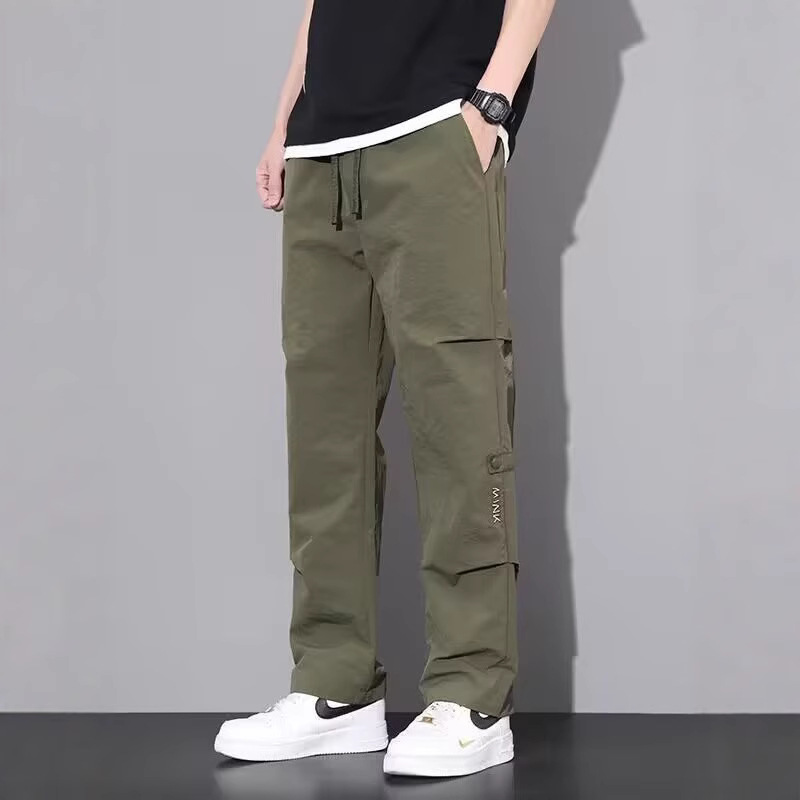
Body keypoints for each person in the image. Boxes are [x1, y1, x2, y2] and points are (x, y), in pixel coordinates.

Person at [214, 0, 555, 778]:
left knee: (459, 424)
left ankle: (473, 694)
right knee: (324, 436)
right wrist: (285, 121)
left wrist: (490, 108)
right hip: (320, 150)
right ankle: (335, 685)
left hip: (434, 132)